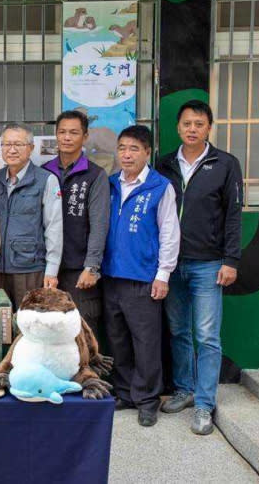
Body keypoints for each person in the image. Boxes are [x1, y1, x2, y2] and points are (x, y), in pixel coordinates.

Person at [156, 100, 243, 435]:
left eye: (199, 124)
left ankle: (205, 404)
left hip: (209, 264)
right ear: (178, 127)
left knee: (207, 336)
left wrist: (231, 260)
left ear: (209, 127)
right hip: (171, 264)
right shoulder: (165, 165)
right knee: (178, 331)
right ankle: (184, 389)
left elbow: (234, 215)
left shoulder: (225, 164)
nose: (192, 129)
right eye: (187, 123)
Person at [102, 125, 180, 427]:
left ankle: (147, 400)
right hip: (111, 276)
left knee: (146, 342)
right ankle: (124, 392)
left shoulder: (160, 187)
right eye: (122, 148)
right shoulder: (110, 184)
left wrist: (163, 275)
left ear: (147, 152)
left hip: (143, 278)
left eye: (134, 148)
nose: (127, 154)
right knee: (117, 340)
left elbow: (170, 234)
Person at [41, 111, 110, 333]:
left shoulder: (95, 175)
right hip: (47, 267)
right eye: (62, 132)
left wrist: (91, 266)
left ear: (85, 136)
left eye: (74, 132)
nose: (67, 138)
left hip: (79, 269)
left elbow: (99, 225)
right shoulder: (44, 172)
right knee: (49, 330)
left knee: (84, 331)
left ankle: (89, 369)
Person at [0, 124, 62, 308]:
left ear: (31, 148)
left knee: (28, 323)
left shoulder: (46, 180)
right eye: (6, 144)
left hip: (29, 269)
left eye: (18, 144)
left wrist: (51, 271)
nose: (11, 150)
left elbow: (54, 227)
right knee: (0, 326)